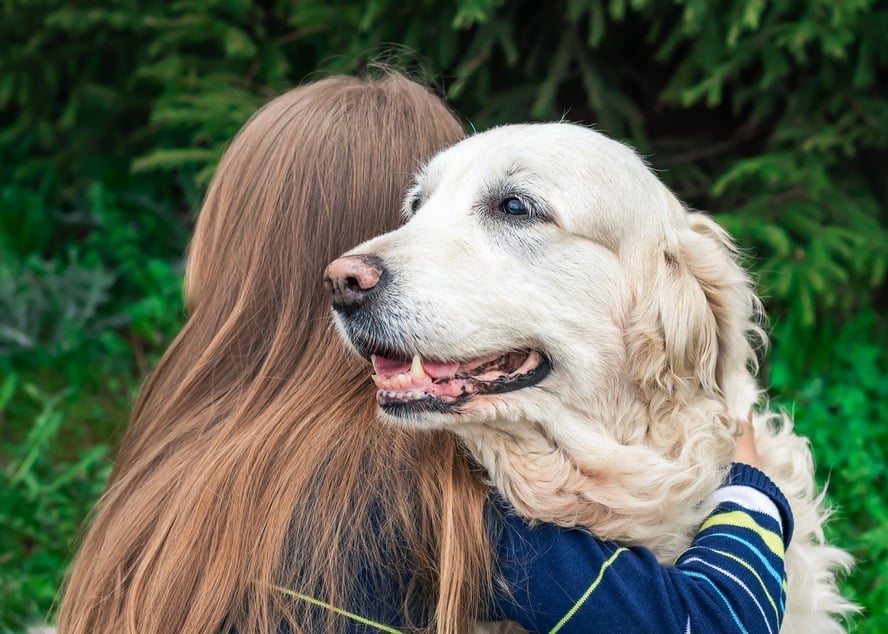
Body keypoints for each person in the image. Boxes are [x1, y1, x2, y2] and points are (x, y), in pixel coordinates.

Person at [58, 71, 790, 634]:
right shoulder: (431, 511)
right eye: (416, 206)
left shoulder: (184, 438)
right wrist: (752, 491)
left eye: (512, 207)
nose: (361, 266)